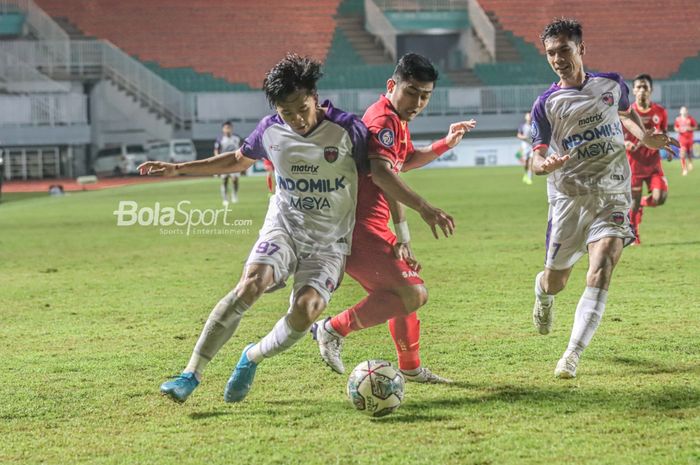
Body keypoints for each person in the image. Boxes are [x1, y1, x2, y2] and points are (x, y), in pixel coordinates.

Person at [138, 54, 371, 404]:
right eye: (285, 112)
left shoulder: (348, 129)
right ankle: (190, 374)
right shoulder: (270, 129)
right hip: (285, 227)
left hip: (329, 241)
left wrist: (400, 232)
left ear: (314, 96)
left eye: (300, 108)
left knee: (307, 310)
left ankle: (251, 357)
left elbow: (379, 176)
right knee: (250, 285)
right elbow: (236, 160)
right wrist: (178, 169)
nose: (294, 119)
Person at [311, 53, 476, 383]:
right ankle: (331, 329)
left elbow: (404, 161)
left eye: (425, 95)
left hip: (372, 225)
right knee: (412, 293)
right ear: (392, 85)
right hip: (353, 227)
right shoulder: (383, 120)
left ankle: (410, 368)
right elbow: (384, 174)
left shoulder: (396, 120)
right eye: (412, 91)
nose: (417, 102)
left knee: (404, 290)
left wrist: (445, 143)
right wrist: (425, 209)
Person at [529, 19, 678, 378]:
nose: (558, 58)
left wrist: (644, 137)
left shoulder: (611, 83)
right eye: (551, 53)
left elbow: (624, 113)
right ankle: (542, 293)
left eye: (564, 49)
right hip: (569, 199)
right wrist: (543, 164)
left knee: (603, 266)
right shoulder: (546, 104)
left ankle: (572, 354)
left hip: (612, 193)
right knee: (557, 281)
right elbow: (534, 156)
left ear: (581, 49)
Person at [623, 74, 670, 245]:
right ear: (634, 90)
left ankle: (643, 203)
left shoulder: (660, 112)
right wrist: (626, 142)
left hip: (653, 165)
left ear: (651, 90)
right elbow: (616, 137)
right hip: (634, 165)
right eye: (639, 87)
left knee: (660, 198)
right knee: (633, 205)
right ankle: (634, 236)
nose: (642, 90)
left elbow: (664, 133)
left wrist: (662, 140)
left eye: (645, 87)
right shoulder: (627, 113)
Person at [214, 121, 242, 205]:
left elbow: (242, 148)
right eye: (226, 128)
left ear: (232, 128)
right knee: (224, 180)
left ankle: (234, 195)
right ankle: (225, 199)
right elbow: (216, 150)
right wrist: (218, 160)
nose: (227, 129)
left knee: (235, 179)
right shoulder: (220, 139)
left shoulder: (237, 138)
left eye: (229, 128)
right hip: (224, 163)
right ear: (223, 129)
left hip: (234, 162)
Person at [674, 106, 697, 176]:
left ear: (687, 111)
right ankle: (684, 169)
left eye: (685, 110)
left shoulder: (690, 119)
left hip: (689, 139)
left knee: (689, 153)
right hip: (682, 139)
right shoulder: (677, 119)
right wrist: (678, 130)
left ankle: (690, 162)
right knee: (682, 154)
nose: (683, 111)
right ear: (680, 112)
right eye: (682, 110)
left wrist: (690, 128)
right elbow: (675, 128)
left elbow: (695, 127)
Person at [517, 112, 534, 184]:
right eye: (528, 116)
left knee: (531, 162)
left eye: (530, 116)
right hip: (525, 145)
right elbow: (518, 135)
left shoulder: (534, 126)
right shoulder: (522, 126)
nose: (529, 117)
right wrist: (525, 137)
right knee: (526, 163)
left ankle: (529, 178)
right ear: (525, 117)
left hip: (532, 145)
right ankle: (526, 174)